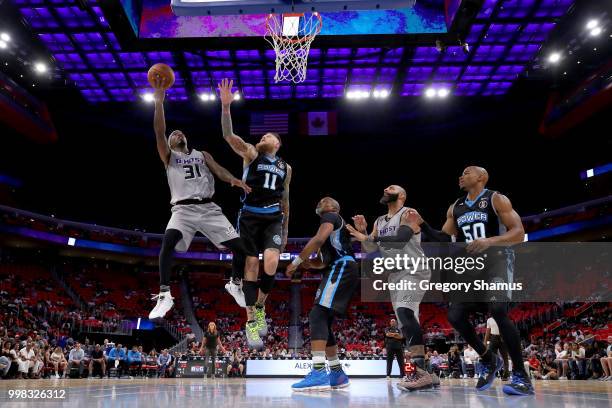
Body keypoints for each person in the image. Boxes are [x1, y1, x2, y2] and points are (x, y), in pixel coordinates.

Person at [415, 166, 533, 395]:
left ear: (481, 177)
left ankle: (521, 375)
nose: (461, 175)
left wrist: (490, 241)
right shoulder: (455, 207)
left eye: (467, 172)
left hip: (498, 260)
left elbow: (518, 233)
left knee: (498, 309)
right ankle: (488, 357)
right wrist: (422, 225)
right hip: (471, 267)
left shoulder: (496, 199)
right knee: (455, 315)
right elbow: (444, 239)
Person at [148, 77, 252, 320]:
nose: (177, 134)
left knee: (242, 249)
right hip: (182, 211)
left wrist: (234, 180)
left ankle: (234, 283)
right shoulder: (168, 156)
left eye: (180, 132)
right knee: (168, 243)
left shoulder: (201, 154)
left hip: (209, 209)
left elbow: (219, 170)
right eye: (174, 134)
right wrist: (159, 102)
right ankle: (165, 294)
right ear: (170, 143)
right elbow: (159, 130)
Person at [219, 78, 292, 349]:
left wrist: (285, 231)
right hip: (249, 215)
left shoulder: (286, 167)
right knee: (251, 267)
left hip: (273, 216)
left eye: (268, 137)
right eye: (262, 136)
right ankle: (251, 321)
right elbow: (229, 137)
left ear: (277, 143)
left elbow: (286, 199)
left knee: (271, 262)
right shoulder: (251, 154)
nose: (263, 138)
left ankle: (260, 307)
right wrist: (226, 108)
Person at [347, 185, 435, 391]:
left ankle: (420, 373)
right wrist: (363, 231)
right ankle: (429, 374)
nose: (386, 188)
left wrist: (369, 237)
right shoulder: (379, 221)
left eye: (392, 187)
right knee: (408, 322)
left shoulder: (409, 213)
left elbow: (398, 241)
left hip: (413, 268)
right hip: (395, 274)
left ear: (402, 195)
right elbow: (369, 248)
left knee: (404, 313)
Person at [285, 197, 357, 391]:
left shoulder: (331, 216)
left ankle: (318, 372)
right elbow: (322, 262)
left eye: (325, 200)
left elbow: (318, 239)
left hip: (341, 267)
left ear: (334, 207)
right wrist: (311, 263)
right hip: (338, 267)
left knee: (317, 314)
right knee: (323, 320)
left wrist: (297, 262)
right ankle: (337, 374)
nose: (320, 201)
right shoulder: (333, 230)